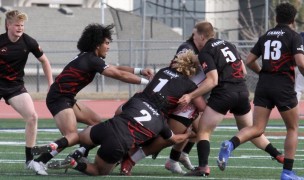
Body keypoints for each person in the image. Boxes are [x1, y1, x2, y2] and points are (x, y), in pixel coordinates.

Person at [47, 49, 206, 176]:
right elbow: (178, 132)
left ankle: (61, 148)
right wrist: (189, 135)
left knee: (77, 135)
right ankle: (77, 163)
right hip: (121, 142)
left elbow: (119, 111)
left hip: (117, 120)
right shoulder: (161, 123)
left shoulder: (160, 74)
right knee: (99, 170)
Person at [29, 23, 154, 175]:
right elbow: (118, 74)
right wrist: (147, 83)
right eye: (106, 43)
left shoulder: (90, 57)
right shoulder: (92, 60)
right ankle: (39, 161)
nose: (108, 47)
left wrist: (140, 71)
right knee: (72, 136)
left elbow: (115, 68)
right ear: (97, 44)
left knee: (97, 124)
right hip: (59, 99)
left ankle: (79, 154)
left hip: (66, 98)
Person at [178, 21, 284, 177]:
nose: (193, 40)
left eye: (194, 36)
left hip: (224, 94)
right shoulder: (229, 44)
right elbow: (243, 71)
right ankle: (277, 154)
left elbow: (212, 80)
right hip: (242, 91)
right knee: (249, 131)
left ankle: (203, 168)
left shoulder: (205, 52)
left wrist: (191, 95)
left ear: (201, 36)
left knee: (203, 131)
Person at [217, 3, 304, 180]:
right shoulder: (294, 36)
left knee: (257, 128)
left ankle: (230, 144)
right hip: (283, 87)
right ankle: (287, 172)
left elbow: (249, 60)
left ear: (276, 18)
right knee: (292, 128)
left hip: (264, 86)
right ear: (293, 20)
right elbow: (301, 63)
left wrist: (263, 73)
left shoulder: (265, 36)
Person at [119, 22, 208, 176]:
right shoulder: (188, 82)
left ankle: (85, 149)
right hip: (155, 115)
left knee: (120, 120)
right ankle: (133, 157)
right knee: (172, 137)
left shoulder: (163, 70)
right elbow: (202, 107)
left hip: (137, 103)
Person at [0, 10, 53, 175]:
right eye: (16, 24)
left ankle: (30, 160)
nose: (20, 28)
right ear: (8, 25)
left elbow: (45, 61)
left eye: (22, 25)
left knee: (32, 117)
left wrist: (50, 84)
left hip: (15, 86)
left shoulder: (29, 42)